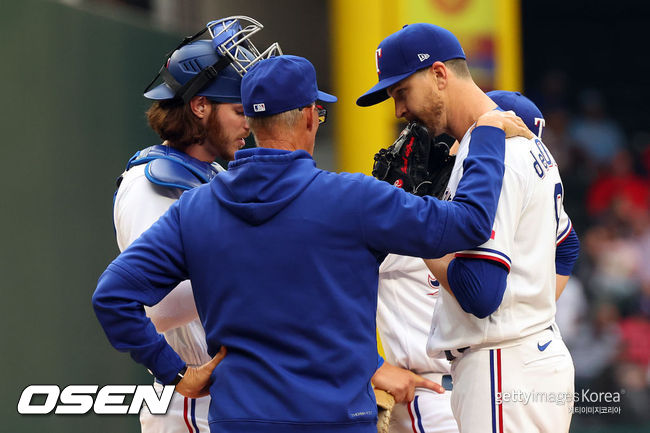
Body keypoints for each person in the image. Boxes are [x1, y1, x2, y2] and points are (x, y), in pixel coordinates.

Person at [93, 54, 532, 433]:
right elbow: (471, 223)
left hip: (240, 419)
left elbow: (113, 297)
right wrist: (486, 133)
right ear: (309, 116)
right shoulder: (354, 199)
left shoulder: (196, 209)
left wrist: (174, 372)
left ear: (252, 121)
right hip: (337, 418)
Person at [357, 24, 580, 433]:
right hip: (528, 357)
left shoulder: (492, 152)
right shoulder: (520, 141)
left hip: (501, 367)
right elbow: (568, 244)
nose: (398, 111)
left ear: (439, 75)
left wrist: (418, 221)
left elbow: (480, 291)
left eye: (401, 92)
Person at [112, 16, 280, 433]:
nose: (250, 123)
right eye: (239, 110)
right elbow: (156, 308)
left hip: (236, 395)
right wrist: (258, 261)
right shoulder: (153, 182)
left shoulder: (216, 175)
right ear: (200, 106)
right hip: (192, 401)